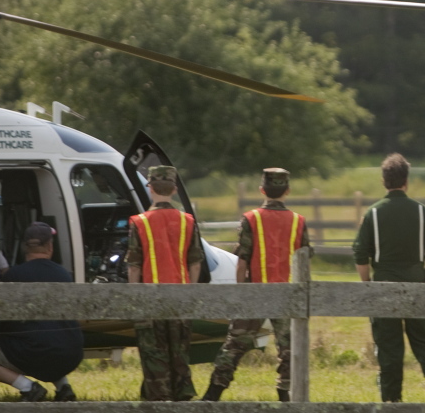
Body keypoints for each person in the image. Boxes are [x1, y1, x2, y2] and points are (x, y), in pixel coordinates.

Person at [203, 168, 309, 402]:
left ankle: (213, 394)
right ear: (287, 191)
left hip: (254, 292)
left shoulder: (251, 219)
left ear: (262, 190)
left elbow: (242, 261)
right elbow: (304, 260)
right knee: (289, 349)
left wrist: (241, 294)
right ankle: (285, 394)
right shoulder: (298, 222)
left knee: (234, 346)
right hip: (285, 294)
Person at [353, 153, 425, 403]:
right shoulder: (422, 212)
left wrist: (367, 284)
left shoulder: (372, 214)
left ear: (384, 181)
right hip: (416, 283)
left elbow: (360, 254)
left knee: (389, 347)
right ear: (406, 181)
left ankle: (391, 399)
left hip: (382, 285)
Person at [0, 222, 83, 402]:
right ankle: (63, 386)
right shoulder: (64, 275)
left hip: (33, 354)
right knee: (48, 341)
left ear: (25, 247)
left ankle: (28, 388)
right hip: (72, 354)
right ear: (50, 246)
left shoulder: (13, 276)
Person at [127, 165, 203, 402]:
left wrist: (135, 297)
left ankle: (158, 400)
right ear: (175, 189)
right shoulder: (188, 221)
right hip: (180, 300)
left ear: (150, 189)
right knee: (179, 356)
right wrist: (189, 293)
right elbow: (195, 263)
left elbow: (134, 265)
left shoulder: (140, 222)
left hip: (150, 300)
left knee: (154, 356)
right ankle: (182, 400)